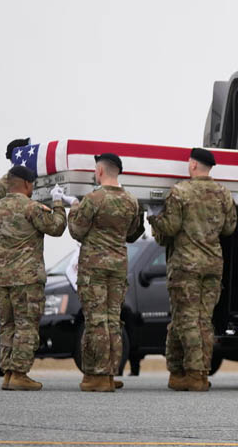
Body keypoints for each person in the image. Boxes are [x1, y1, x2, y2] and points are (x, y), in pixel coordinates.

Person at [148, 147, 236, 392]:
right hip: (213, 265)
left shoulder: (180, 192)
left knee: (187, 320)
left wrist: (154, 217)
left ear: (194, 165)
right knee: (200, 320)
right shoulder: (223, 193)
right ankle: (178, 372)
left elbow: (171, 227)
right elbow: (229, 228)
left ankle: (196, 374)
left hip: (186, 265)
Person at [66, 153, 144, 392]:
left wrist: (73, 208)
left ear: (99, 171)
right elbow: (133, 233)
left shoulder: (92, 199)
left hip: (94, 269)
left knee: (96, 320)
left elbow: (77, 231)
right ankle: (110, 373)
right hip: (118, 267)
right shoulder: (132, 201)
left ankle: (97, 375)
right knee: (113, 320)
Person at [0, 165, 66, 390]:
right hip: (26, 278)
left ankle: (9, 373)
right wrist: (58, 203)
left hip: (2, 278)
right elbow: (57, 227)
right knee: (26, 325)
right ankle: (20, 373)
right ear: (28, 184)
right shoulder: (31, 208)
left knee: (7, 325)